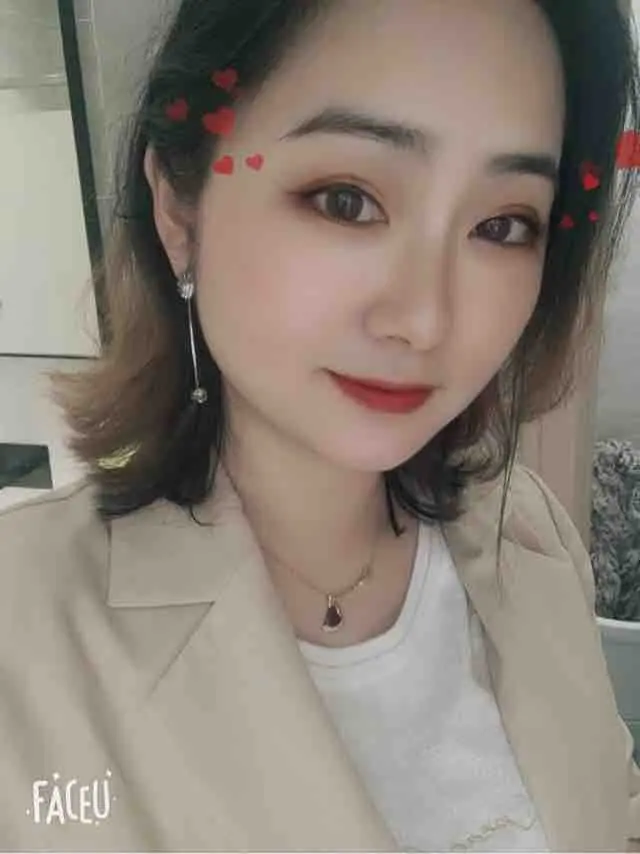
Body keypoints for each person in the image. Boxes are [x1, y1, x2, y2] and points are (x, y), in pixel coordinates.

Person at [1, 0, 640, 849]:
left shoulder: (531, 537)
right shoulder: (21, 632)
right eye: (347, 201)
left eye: (501, 225)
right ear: (180, 210)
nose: (424, 319)